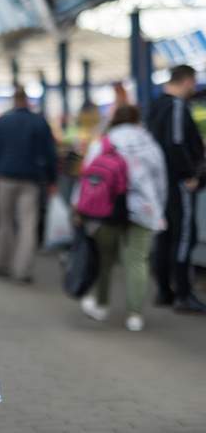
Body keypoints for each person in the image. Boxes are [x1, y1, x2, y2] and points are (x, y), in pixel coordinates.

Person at [79, 105, 167, 331]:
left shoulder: (104, 142)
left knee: (105, 258)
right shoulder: (150, 144)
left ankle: (101, 305)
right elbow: (160, 180)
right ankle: (135, 315)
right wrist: (158, 207)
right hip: (143, 207)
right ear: (137, 119)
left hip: (107, 208)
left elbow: (88, 175)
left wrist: (79, 207)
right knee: (138, 259)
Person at [0, 87, 57, 283]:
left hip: (3, 177)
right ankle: (23, 270)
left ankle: (2, 263)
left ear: (14, 100)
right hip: (31, 180)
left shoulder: (1, 122)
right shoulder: (39, 122)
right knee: (27, 224)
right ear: (27, 100)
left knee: (4, 222)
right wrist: (52, 179)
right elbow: (50, 153)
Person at [146, 65, 206, 313]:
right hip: (177, 182)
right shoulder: (178, 106)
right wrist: (190, 174)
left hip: (159, 182)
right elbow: (178, 142)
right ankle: (183, 292)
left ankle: (164, 290)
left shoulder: (155, 106)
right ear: (187, 80)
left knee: (164, 235)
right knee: (183, 236)